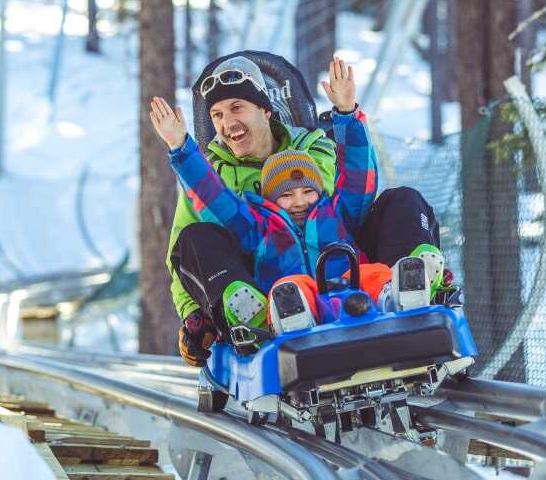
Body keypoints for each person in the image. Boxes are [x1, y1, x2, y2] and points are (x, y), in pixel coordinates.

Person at [153, 59, 447, 366]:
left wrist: (347, 114)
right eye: (217, 114)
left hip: (354, 282)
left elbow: (358, 180)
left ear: (265, 110)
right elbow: (209, 206)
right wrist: (181, 148)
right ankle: (261, 317)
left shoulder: (319, 159)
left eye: (237, 107)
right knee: (282, 286)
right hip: (281, 291)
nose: (227, 123)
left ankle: (409, 286)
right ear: (268, 198)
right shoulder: (254, 220)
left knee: (401, 205)